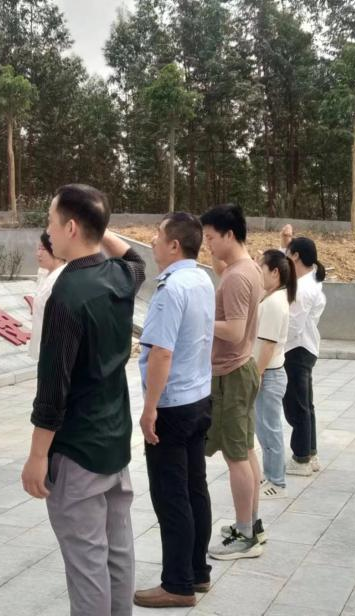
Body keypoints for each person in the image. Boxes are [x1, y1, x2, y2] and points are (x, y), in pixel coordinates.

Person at [20, 184, 146, 616]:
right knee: (117, 550)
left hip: (77, 449)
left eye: (52, 222)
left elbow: (53, 389)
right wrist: (101, 229)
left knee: (87, 562)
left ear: (71, 227)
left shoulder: (67, 294)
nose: (48, 231)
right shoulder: (120, 278)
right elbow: (136, 259)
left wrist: (38, 456)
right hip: (114, 441)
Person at [134, 212, 215, 609]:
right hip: (198, 397)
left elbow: (161, 352)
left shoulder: (171, 288)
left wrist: (150, 408)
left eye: (158, 234)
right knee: (195, 488)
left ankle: (178, 584)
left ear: (174, 245)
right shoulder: (202, 280)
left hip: (173, 405)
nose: (152, 240)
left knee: (171, 496)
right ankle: (197, 572)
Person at [200, 203, 265, 560]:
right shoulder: (247, 268)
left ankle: (244, 535)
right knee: (245, 451)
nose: (207, 244)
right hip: (240, 369)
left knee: (236, 456)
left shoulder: (238, 276)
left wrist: (198, 319)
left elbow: (235, 330)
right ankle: (251, 524)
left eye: (211, 237)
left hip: (231, 374)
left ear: (229, 234)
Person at [280, 229, 328, 475]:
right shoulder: (311, 280)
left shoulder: (302, 289)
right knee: (306, 405)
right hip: (305, 348)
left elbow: (293, 327)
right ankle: (310, 453)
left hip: (295, 350)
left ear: (296, 256)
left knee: (296, 407)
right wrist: (285, 243)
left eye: (288, 254)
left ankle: (300, 460)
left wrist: (273, 344)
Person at [253, 250, 295, 499]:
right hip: (267, 373)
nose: (259, 273)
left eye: (261, 268)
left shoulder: (275, 303)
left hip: (268, 374)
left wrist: (257, 375)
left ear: (275, 272)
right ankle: (270, 475)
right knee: (264, 428)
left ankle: (277, 481)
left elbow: (268, 345)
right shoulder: (272, 297)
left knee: (270, 429)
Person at [30, 232, 66, 361]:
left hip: (55, 351)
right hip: (42, 344)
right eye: (38, 248)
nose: (38, 254)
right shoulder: (44, 273)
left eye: (43, 249)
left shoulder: (61, 279)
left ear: (55, 250)